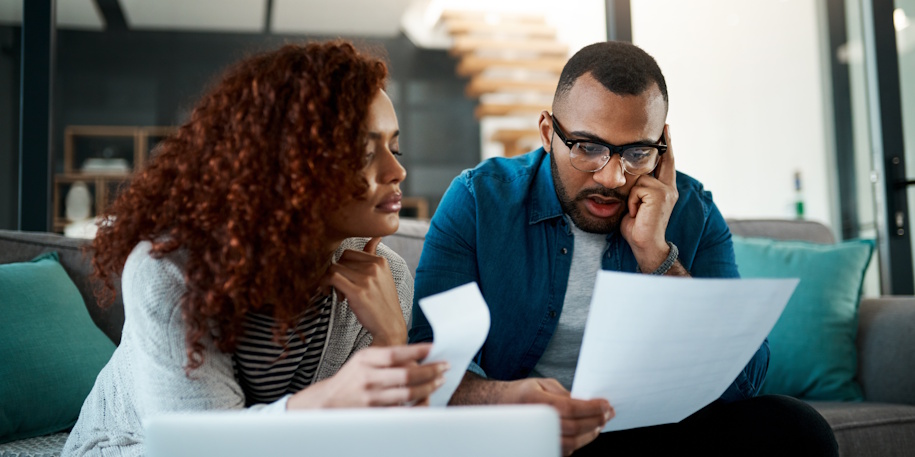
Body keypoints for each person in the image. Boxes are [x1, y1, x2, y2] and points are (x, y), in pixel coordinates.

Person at [409, 41, 837, 456]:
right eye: (588, 148)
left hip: (651, 433)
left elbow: (744, 384)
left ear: (662, 148)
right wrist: (505, 399)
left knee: (796, 427)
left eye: (636, 152)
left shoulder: (693, 211)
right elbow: (428, 366)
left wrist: (657, 255)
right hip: (524, 437)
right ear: (547, 133)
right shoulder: (479, 200)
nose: (612, 177)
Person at [62, 41, 447, 457]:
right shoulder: (171, 270)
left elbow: (378, 441)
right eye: (365, 153)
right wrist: (329, 402)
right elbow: (197, 449)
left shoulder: (383, 275)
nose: (397, 171)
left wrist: (391, 337)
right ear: (289, 164)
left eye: (394, 148)